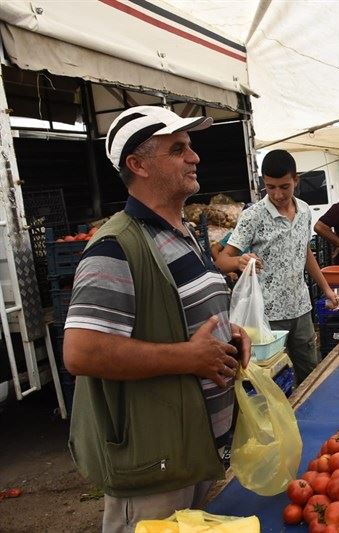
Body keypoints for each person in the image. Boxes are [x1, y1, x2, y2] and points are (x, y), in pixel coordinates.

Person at [63, 106, 252, 531]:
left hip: (193, 449)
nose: (195, 157)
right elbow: (81, 352)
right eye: (178, 149)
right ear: (138, 164)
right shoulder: (114, 246)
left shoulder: (181, 232)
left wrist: (228, 333)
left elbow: (177, 314)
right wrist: (189, 358)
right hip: (155, 464)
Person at [217, 150, 339, 385]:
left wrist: (326, 289)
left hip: (301, 308)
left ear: (296, 180)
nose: (277, 194)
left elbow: (305, 252)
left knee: (310, 371)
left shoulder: (304, 211)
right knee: (272, 378)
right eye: (270, 187)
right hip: (267, 315)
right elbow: (222, 260)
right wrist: (238, 262)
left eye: (284, 186)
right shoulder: (253, 215)